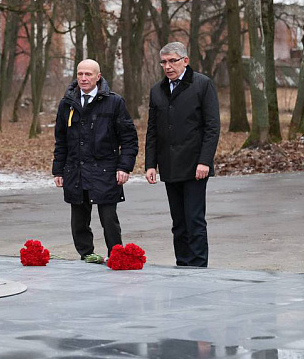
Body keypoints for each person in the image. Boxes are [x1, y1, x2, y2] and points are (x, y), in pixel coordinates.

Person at [53, 59, 138, 263]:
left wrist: (124, 167)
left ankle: (117, 256)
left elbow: (128, 138)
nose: (83, 78)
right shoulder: (67, 103)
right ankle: (87, 255)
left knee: (109, 219)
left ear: (98, 77)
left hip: (105, 170)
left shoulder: (114, 102)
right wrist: (58, 170)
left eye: (88, 74)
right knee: (79, 220)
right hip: (76, 170)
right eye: (80, 74)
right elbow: (61, 139)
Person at [145, 42, 220, 267]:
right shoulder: (157, 90)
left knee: (194, 219)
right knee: (178, 222)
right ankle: (182, 265)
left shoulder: (202, 84)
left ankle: (198, 266)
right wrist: (151, 164)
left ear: (185, 61)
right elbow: (152, 130)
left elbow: (212, 127)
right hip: (169, 165)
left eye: (173, 61)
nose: (168, 66)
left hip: (195, 165)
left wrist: (205, 161)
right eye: (164, 62)